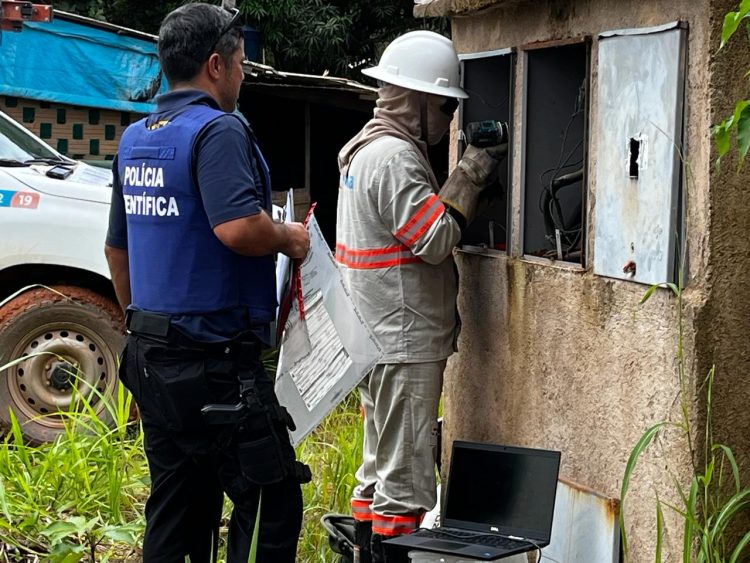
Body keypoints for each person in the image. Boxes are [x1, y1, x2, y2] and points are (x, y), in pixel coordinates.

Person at [103, 4, 311, 562]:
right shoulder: (218, 130)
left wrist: (141, 327)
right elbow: (239, 228)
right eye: (242, 63)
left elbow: (116, 250)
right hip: (216, 363)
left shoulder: (137, 138)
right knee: (271, 499)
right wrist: (290, 237)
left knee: (179, 505)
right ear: (216, 65)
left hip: (151, 356)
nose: (243, 75)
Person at [335, 30, 507, 563]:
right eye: (445, 108)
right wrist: (471, 173)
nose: (449, 121)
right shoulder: (395, 158)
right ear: (421, 102)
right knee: (405, 486)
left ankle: (364, 553)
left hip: (374, 336)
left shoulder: (365, 148)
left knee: (379, 472)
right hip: (403, 337)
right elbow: (432, 239)